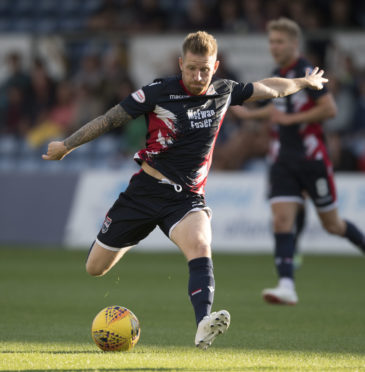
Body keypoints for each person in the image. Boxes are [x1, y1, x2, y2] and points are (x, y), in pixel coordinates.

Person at [42, 31, 328, 348]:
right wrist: (67, 146)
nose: (197, 75)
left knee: (200, 245)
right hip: (144, 193)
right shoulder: (158, 92)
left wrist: (304, 83)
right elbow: (111, 119)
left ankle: (203, 323)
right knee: (95, 268)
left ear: (215, 66)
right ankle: (133, 234)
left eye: (204, 69)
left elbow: (271, 87)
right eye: (191, 68)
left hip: (186, 198)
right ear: (181, 64)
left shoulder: (223, 91)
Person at [231, 18, 365, 306]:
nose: (274, 47)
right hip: (282, 160)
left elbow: (329, 109)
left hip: (312, 158)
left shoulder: (307, 72)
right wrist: (250, 116)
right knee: (281, 220)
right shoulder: (276, 73)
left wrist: (290, 120)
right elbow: (276, 110)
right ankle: (286, 285)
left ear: (294, 44)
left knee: (333, 225)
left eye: (280, 41)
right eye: (271, 41)